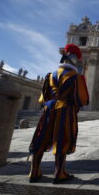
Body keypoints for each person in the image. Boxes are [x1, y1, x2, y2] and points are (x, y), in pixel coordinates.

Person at [28, 44, 89, 184]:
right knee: (63, 137)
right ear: (74, 59)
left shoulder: (50, 75)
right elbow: (82, 99)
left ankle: (34, 171)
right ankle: (59, 173)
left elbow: (43, 97)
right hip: (66, 109)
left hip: (49, 109)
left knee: (41, 136)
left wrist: (50, 104)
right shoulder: (75, 77)